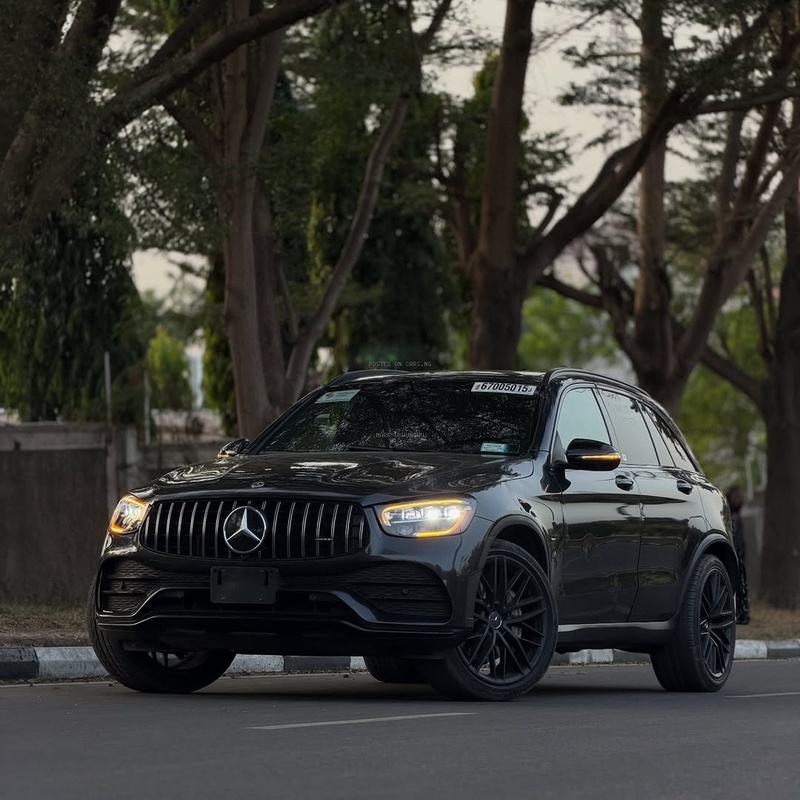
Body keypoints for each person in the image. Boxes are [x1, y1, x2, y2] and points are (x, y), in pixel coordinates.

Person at [726, 486, 750, 625]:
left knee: (741, 582)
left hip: (740, 551)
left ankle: (742, 613)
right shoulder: (731, 517)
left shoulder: (737, 518)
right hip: (735, 550)